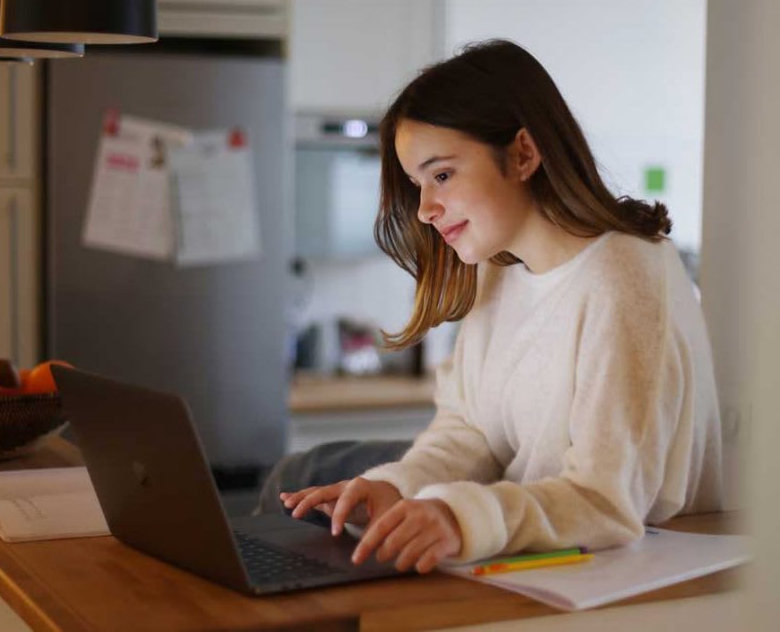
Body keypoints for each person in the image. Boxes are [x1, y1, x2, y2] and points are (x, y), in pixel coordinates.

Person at [261, 39, 723, 575]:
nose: (427, 210)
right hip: (545, 547)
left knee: (302, 471)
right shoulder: (499, 271)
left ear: (524, 153)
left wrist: (457, 519)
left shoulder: (626, 275)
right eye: (417, 185)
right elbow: (471, 431)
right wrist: (397, 489)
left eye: (442, 175)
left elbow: (605, 499)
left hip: (629, 571)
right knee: (302, 480)